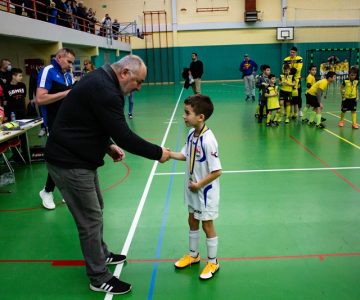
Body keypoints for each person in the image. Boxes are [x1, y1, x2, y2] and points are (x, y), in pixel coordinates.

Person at [45, 54, 170, 295]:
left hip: (80, 158)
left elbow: (90, 122)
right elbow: (125, 135)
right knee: (90, 219)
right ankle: (98, 275)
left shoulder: (100, 79)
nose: (140, 88)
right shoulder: (106, 91)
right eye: (138, 81)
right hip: (69, 163)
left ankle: (101, 254)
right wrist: (157, 153)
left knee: (96, 208)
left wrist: (107, 145)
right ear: (124, 73)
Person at [170, 94, 222, 280]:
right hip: (192, 188)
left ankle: (213, 262)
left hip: (204, 192)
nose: (184, 116)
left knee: (207, 225)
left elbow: (217, 171)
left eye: (187, 113)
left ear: (200, 117)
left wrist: (199, 184)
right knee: (192, 219)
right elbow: (185, 155)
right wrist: (167, 154)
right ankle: (193, 255)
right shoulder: (192, 134)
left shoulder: (209, 140)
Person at [37, 48, 76, 209]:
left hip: (69, 122)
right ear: (59, 57)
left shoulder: (67, 74)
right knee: (58, 159)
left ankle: (65, 190)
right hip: (54, 123)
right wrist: (67, 93)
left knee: (70, 157)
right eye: (69, 61)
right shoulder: (48, 71)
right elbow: (40, 99)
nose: (71, 66)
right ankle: (47, 191)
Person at [283, 46, 303, 116]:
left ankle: (300, 110)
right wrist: (289, 72)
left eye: (293, 52)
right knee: (287, 95)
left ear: (296, 53)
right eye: (291, 52)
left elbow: (299, 69)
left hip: (297, 79)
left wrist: (291, 71)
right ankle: (286, 111)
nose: (292, 53)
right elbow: (284, 69)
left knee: (298, 95)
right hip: (288, 79)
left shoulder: (299, 59)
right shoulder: (286, 59)